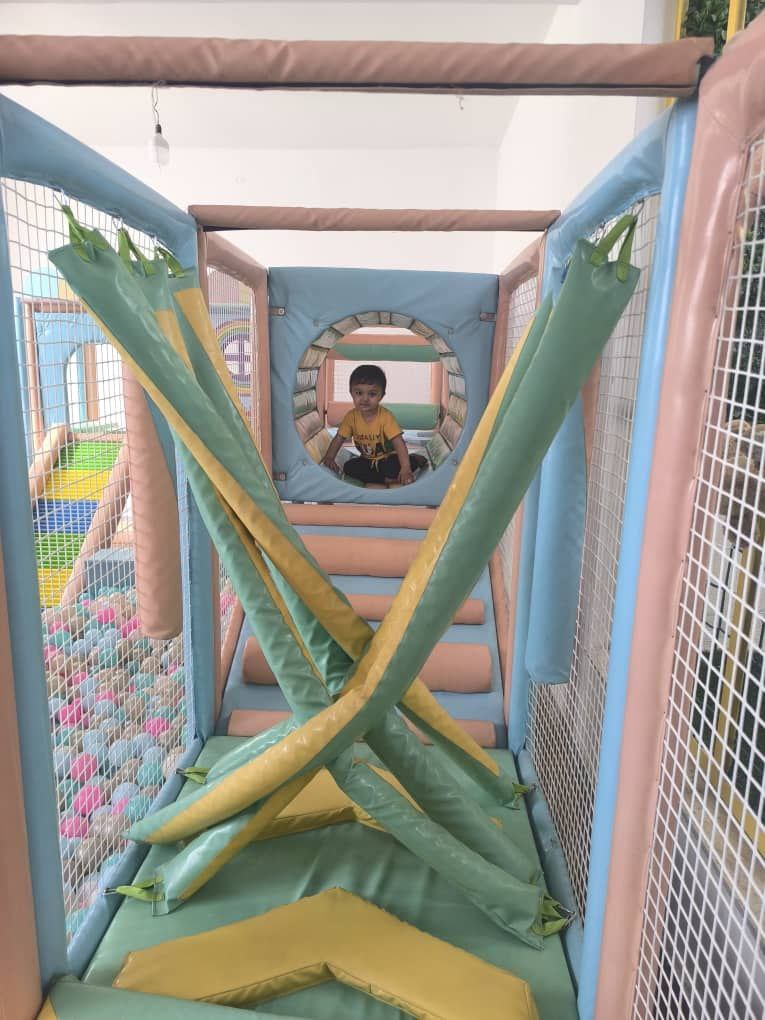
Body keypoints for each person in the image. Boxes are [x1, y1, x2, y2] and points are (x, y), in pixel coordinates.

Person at [322, 364, 427, 486]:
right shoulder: (351, 417)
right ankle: (385, 479)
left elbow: (399, 442)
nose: (365, 399)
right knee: (349, 467)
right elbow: (339, 438)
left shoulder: (386, 417)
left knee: (392, 466)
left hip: (389, 457)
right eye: (359, 393)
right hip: (368, 460)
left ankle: (415, 459)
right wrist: (329, 457)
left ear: (381, 396)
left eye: (372, 394)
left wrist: (406, 468)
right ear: (351, 393)